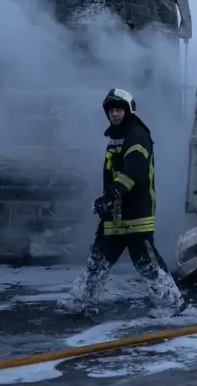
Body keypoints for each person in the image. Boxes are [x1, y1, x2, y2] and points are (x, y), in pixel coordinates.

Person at [57, 88, 185, 318]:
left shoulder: (137, 136)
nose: (115, 114)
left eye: (119, 109)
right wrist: (109, 200)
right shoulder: (117, 137)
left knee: (147, 262)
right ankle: (83, 301)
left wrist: (110, 195)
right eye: (112, 110)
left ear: (128, 111)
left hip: (135, 213)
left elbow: (132, 173)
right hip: (115, 213)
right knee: (97, 259)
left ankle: (171, 303)